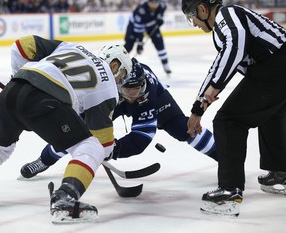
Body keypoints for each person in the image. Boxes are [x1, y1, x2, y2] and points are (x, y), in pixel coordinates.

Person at [0, 35, 133, 224]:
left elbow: (20, 46)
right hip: (45, 102)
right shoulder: (108, 85)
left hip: (12, 91)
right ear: (115, 66)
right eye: (122, 74)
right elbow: (104, 146)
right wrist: (102, 150)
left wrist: (17, 80)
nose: (121, 80)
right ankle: (64, 198)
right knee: (91, 148)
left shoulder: (73, 47)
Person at [182, 0, 286, 217]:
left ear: (202, 9)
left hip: (276, 66)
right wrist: (198, 106)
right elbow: (218, 66)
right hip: (277, 67)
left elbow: (233, 52)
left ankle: (230, 190)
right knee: (270, 114)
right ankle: (281, 173)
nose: (195, 24)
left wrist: (202, 105)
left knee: (228, 120)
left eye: (192, 17)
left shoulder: (227, 15)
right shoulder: (225, 27)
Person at [20, 57, 217, 179]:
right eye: (128, 88)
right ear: (118, 81)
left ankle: (223, 154)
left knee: (183, 128)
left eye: (137, 87)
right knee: (76, 131)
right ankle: (44, 160)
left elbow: (140, 140)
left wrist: (111, 150)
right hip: (115, 101)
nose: (133, 93)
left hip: (155, 104)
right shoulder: (107, 87)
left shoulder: (149, 94)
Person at [124, 0, 171, 75]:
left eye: (156, 2)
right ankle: (120, 61)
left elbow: (162, 10)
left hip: (152, 25)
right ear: (148, 2)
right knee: (129, 45)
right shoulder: (141, 11)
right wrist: (140, 44)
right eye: (151, 2)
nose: (153, 4)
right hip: (134, 25)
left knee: (159, 43)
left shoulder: (162, 6)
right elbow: (139, 30)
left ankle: (165, 65)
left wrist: (160, 18)